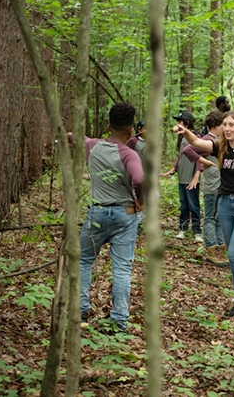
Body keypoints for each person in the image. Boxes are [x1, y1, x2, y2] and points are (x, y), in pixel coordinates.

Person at [173, 110, 234, 317]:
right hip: (225, 203)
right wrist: (184, 130)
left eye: (231, 125)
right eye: (225, 125)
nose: (227, 128)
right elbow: (196, 143)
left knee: (233, 253)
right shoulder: (220, 147)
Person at [77, 102, 143, 331]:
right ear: (131, 130)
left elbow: (73, 136)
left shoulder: (92, 146)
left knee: (83, 261)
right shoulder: (129, 154)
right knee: (122, 268)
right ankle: (119, 320)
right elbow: (140, 179)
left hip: (96, 212)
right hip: (125, 215)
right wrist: (140, 200)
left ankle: (80, 314)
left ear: (108, 125)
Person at [182, 111, 229, 267]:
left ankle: (220, 250)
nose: (226, 127)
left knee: (219, 218)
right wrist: (204, 161)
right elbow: (188, 150)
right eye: (224, 124)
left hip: (222, 186)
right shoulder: (207, 140)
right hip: (212, 186)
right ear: (216, 125)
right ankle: (211, 249)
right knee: (210, 218)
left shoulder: (219, 140)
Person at [162, 110, 202, 243]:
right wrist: (173, 169)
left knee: (193, 205)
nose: (178, 124)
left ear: (187, 123)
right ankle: (183, 228)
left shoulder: (196, 137)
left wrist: (196, 176)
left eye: (180, 121)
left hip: (192, 177)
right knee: (184, 204)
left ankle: (197, 231)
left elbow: (199, 158)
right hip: (182, 176)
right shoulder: (181, 137)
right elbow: (181, 156)